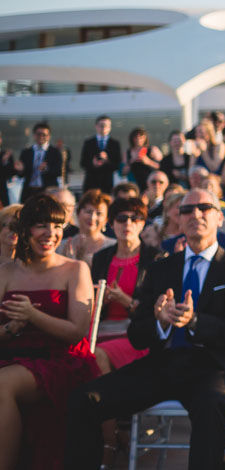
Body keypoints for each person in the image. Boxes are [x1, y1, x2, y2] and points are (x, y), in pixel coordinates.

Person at [65, 188, 225, 470]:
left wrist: (194, 321)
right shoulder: (161, 268)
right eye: (188, 210)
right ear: (178, 220)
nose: (196, 214)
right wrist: (159, 322)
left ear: (219, 217)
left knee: (210, 407)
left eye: (205, 207)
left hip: (213, 366)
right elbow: (136, 335)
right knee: (84, 400)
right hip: (163, 364)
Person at [0, 194, 99, 470]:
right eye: (41, 225)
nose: (50, 234)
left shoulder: (75, 269)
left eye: (57, 226)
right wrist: (10, 328)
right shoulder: (5, 272)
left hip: (60, 361)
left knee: (2, 383)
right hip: (10, 354)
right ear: (25, 229)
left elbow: (76, 332)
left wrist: (33, 315)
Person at [90, 196, 162, 466]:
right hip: (101, 330)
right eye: (121, 218)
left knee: (96, 357)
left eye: (135, 218)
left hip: (135, 336)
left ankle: (109, 443)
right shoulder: (101, 258)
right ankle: (110, 436)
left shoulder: (155, 259)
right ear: (112, 223)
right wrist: (99, 300)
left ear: (143, 223)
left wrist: (126, 302)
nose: (128, 223)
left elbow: (156, 311)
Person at [56, 190, 115, 269]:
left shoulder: (113, 247)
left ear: (106, 219)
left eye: (99, 213)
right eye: (88, 212)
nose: (92, 217)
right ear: (78, 213)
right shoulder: (61, 246)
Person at [16, 122, 63, 202]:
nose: (41, 137)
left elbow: (58, 172)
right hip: (29, 191)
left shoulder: (55, 152)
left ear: (49, 136)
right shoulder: (26, 152)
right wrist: (20, 170)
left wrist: (46, 169)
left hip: (47, 191)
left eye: (44, 135)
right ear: (34, 135)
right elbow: (22, 175)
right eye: (38, 134)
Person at [81, 115, 122, 193]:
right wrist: (93, 163)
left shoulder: (115, 144)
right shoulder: (88, 143)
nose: (104, 128)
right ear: (96, 126)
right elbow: (83, 163)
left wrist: (107, 161)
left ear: (110, 127)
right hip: (91, 183)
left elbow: (117, 165)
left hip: (107, 184)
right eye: (101, 125)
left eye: (106, 126)